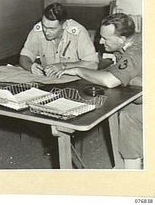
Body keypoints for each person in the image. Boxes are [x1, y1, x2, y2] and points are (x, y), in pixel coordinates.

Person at [56, 13, 143, 169]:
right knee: (127, 108)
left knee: (128, 114)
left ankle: (132, 169)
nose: (101, 41)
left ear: (121, 39)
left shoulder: (135, 51)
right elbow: (115, 70)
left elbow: (110, 80)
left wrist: (77, 70)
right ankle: (128, 165)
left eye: (105, 39)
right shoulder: (130, 41)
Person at [19, 2, 99, 77]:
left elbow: (92, 64)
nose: (46, 32)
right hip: (48, 80)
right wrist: (30, 66)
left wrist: (62, 66)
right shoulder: (38, 30)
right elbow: (25, 56)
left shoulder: (79, 33)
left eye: (52, 29)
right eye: (44, 26)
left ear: (64, 25)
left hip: (72, 81)